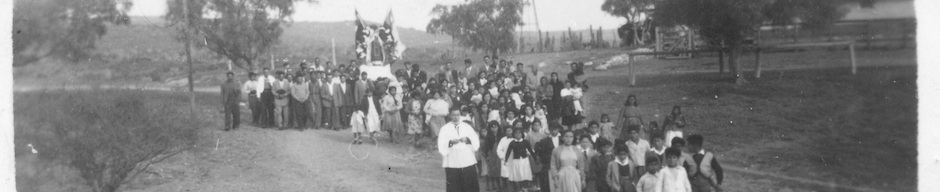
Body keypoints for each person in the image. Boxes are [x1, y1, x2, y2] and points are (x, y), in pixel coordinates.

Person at [437, 108, 481, 192]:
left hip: (466, 159)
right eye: (454, 115)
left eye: (457, 115)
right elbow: (441, 144)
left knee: (469, 184)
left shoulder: (466, 126)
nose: (456, 117)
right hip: (452, 160)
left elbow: (475, 140)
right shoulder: (445, 128)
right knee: (454, 185)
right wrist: (451, 142)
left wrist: (467, 140)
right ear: (450, 115)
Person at [534, 123, 561, 192]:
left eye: (555, 129)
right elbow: (538, 150)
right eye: (551, 130)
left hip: (561, 164)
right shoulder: (545, 141)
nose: (554, 132)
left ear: (558, 129)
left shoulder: (562, 139)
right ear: (549, 130)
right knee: (547, 183)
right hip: (548, 164)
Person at [484, 121, 503, 190]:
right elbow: (486, 147)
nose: (494, 129)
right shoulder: (488, 136)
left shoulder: (501, 135)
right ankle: (493, 184)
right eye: (492, 127)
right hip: (492, 155)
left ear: (498, 127)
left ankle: (500, 185)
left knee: (499, 170)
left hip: (499, 155)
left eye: (495, 127)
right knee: (492, 170)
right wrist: (487, 156)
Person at [495, 124, 514, 190]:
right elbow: (499, 149)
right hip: (505, 160)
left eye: (510, 130)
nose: (509, 132)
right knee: (506, 176)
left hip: (514, 159)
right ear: (505, 132)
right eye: (507, 131)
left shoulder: (515, 139)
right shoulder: (503, 140)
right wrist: (503, 157)